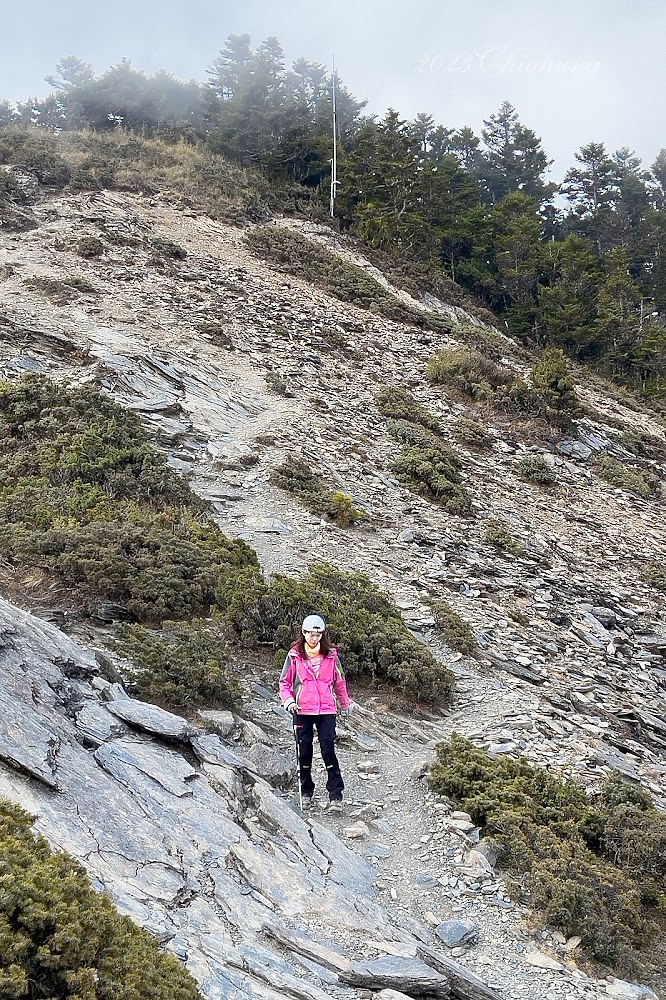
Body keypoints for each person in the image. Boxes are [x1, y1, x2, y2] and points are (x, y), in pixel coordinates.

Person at [279, 614, 353, 813]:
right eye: (311, 634)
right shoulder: (294, 655)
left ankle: (335, 795)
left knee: (328, 749)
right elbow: (284, 683)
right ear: (304, 633)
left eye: (318, 634)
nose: (315, 638)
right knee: (304, 751)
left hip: (327, 709)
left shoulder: (331, 655)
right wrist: (289, 701)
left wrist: (345, 704)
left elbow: (339, 682)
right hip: (301, 709)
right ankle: (306, 792)